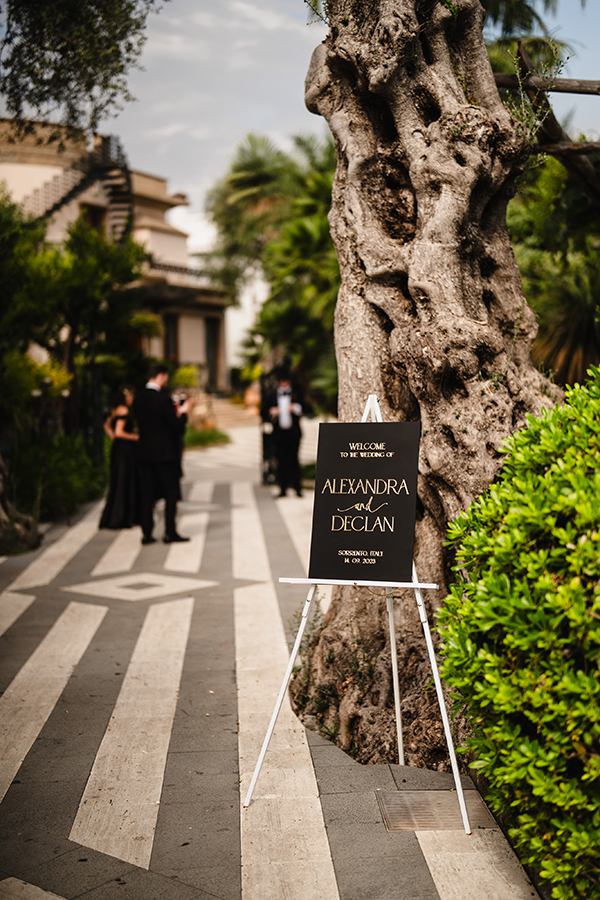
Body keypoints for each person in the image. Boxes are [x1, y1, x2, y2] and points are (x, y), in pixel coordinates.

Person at [133, 364, 190, 545]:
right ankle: (169, 532)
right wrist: (184, 413)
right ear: (161, 376)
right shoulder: (163, 400)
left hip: (145, 453)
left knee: (147, 495)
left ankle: (146, 533)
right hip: (165, 454)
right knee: (171, 493)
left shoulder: (138, 398)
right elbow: (176, 426)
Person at [99, 385, 141, 529]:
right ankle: (122, 518)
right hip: (124, 451)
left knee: (118, 481)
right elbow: (119, 432)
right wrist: (135, 437)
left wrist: (115, 440)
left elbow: (106, 426)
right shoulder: (123, 410)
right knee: (125, 481)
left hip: (118, 449)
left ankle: (117, 517)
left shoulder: (115, 409)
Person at [262, 367, 305, 498]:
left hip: (293, 433)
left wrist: (296, 408)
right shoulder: (272, 395)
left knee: (294, 460)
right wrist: (271, 412)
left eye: (286, 380)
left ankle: (297, 488)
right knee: (280, 461)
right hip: (279, 434)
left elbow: (307, 408)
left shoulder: (296, 393)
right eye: (281, 381)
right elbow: (263, 412)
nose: (284, 383)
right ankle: (283, 488)